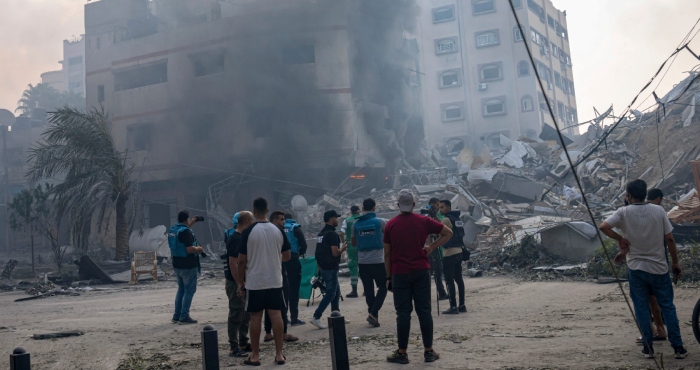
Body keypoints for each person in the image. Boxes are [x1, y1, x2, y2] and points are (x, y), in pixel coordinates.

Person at [600, 180, 687, 359]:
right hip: (659, 268)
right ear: (645, 194)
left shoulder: (623, 212)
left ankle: (648, 348)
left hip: (636, 269)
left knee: (640, 308)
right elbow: (670, 240)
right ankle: (678, 348)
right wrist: (675, 262)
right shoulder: (658, 211)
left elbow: (603, 227)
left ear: (629, 196)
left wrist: (620, 240)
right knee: (668, 307)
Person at [383, 190, 453, 364]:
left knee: (403, 313)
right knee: (424, 311)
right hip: (421, 271)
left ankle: (402, 353)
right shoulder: (424, 221)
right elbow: (448, 233)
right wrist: (432, 247)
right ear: (414, 204)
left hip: (399, 273)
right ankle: (428, 351)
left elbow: (386, 254)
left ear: (398, 205)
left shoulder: (390, 225)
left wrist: (388, 277)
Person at [238, 198, 291, 366]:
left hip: (255, 281)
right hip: (275, 279)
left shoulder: (248, 231)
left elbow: (241, 261)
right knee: (276, 315)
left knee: (255, 317)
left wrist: (240, 282)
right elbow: (287, 256)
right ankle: (279, 354)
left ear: (254, 211)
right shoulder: (278, 230)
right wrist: (273, 259)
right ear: (268, 210)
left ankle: (255, 356)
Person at [310, 210, 350, 329]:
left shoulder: (321, 234)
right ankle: (316, 317)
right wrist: (342, 249)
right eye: (336, 218)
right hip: (331, 267)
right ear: (331, 219)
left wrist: (319, 268)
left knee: (336, 291)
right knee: (331, 292)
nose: (338, 220)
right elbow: (334, 252)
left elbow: (318, 253)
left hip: (323, 267)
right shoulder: (332, 235)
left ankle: (335, 314)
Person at [263, 211, 299, 343]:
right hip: (278, 272)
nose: (284, 222)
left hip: (264, 274)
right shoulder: (279, 232)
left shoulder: (261, 232)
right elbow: (287, 256)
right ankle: (283, 333)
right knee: (281, 304)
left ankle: (268, 333)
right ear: (274, 220)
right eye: (282, 220)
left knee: (267, 304)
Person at [351, 198, 387, 327]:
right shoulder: (380, 222)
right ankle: (373, 312)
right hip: (378, 260)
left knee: (368, 290)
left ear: (362, 208)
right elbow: (388, 237)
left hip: (363, 262)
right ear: (374, 208)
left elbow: (354, 243)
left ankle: (373, 314)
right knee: (383, 286)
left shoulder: (356, 224)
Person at [168, 210, 205, 325]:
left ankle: (177, 315)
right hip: (188, 265)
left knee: (181, 290)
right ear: (186, 219)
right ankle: (184, 317)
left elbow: (183, 233)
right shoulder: (186, 232)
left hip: (177, 264)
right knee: (189, 291)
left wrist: (193, 222)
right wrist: (199, 249)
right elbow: (189, 249)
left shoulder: (174, 229)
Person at [224, 211, 253, 357]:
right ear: (247, 222)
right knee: (235, 313)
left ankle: (243, 341)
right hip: (235, 281)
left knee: (245, 313)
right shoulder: (235, 238)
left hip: (244, 281)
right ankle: (233, 346)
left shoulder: (243, 237)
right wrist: (239, 283)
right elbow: (233, 263)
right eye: (252, 221)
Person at [438, 200, 467, 315]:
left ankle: (453, 306)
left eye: (442, 207)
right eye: (439, 207)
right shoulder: (457, 219)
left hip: (449, 253)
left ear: (449, 208)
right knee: (459, 279)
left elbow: (437, 231)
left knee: (449, 281)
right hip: (459, 252)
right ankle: (462, 305)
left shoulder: (446, 220)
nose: (441, 209)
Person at [283, 212, 308, 326]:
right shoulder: (295, 228)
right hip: (293, 258)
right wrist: (298, 254)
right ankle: (294, 318)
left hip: (280, 260)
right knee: (294, 289)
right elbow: (304, 245)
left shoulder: (279, 228)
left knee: (283, 290)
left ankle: (283, 318)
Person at [426, 198, 448, 301]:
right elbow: (433, 233)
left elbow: (441, 227)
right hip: (429, 248)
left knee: (438, 271)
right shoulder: (426, 217)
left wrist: (435, 216)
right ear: (432, 204)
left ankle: (442, 293)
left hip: (435, 247)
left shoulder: (436, 216)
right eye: (437, 205)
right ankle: (424, 294)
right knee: (429, 272)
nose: (438, 207)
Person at [340, 206, 361, 298]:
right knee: (364, 267)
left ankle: (354, 291)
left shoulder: (347, 220)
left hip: (351, 247)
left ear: (351, 212)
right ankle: (367, 290)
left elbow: (341, 233)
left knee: (353, 267)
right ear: (358, 211)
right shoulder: (361, 219)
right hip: (362, 247)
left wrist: (343, 243)